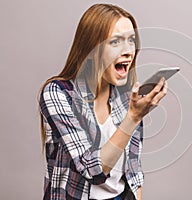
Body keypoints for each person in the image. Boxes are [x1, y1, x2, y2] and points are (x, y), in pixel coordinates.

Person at [38, 4, 167, 200]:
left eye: (131, 40)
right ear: (91, 48)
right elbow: (92, 171)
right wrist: (133, 118)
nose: (128, 51)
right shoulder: (58, 94)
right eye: (115, 41)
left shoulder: (127, 100)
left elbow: (134, 174)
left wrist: (133, 114)